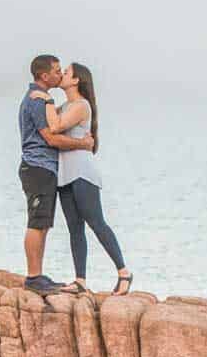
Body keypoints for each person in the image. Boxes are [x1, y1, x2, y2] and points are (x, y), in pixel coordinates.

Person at [32, 62, 132, 296]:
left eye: (66, 72)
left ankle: (124, 272)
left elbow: (54, 127)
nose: (63, 75)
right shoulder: (66, 105)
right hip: (65, 175)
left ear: (76, 80)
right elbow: (48, 124)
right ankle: (80, 280)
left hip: (82, 173)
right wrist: (45, 99)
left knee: (96, 223)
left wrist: (44, 99)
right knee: (75, 228)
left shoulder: (80, 106)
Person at [18, 54, 95, 293]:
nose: (60, 74)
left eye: (62, 70)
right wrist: (83, 144)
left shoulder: (45, 100)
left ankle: (37, 275)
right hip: (38, 167)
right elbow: (51, 137)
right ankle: (33, 278)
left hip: (43, 168)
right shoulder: (38, 101)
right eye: (56, 70)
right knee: (36, 222)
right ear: (44, 76)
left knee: (42, 223)